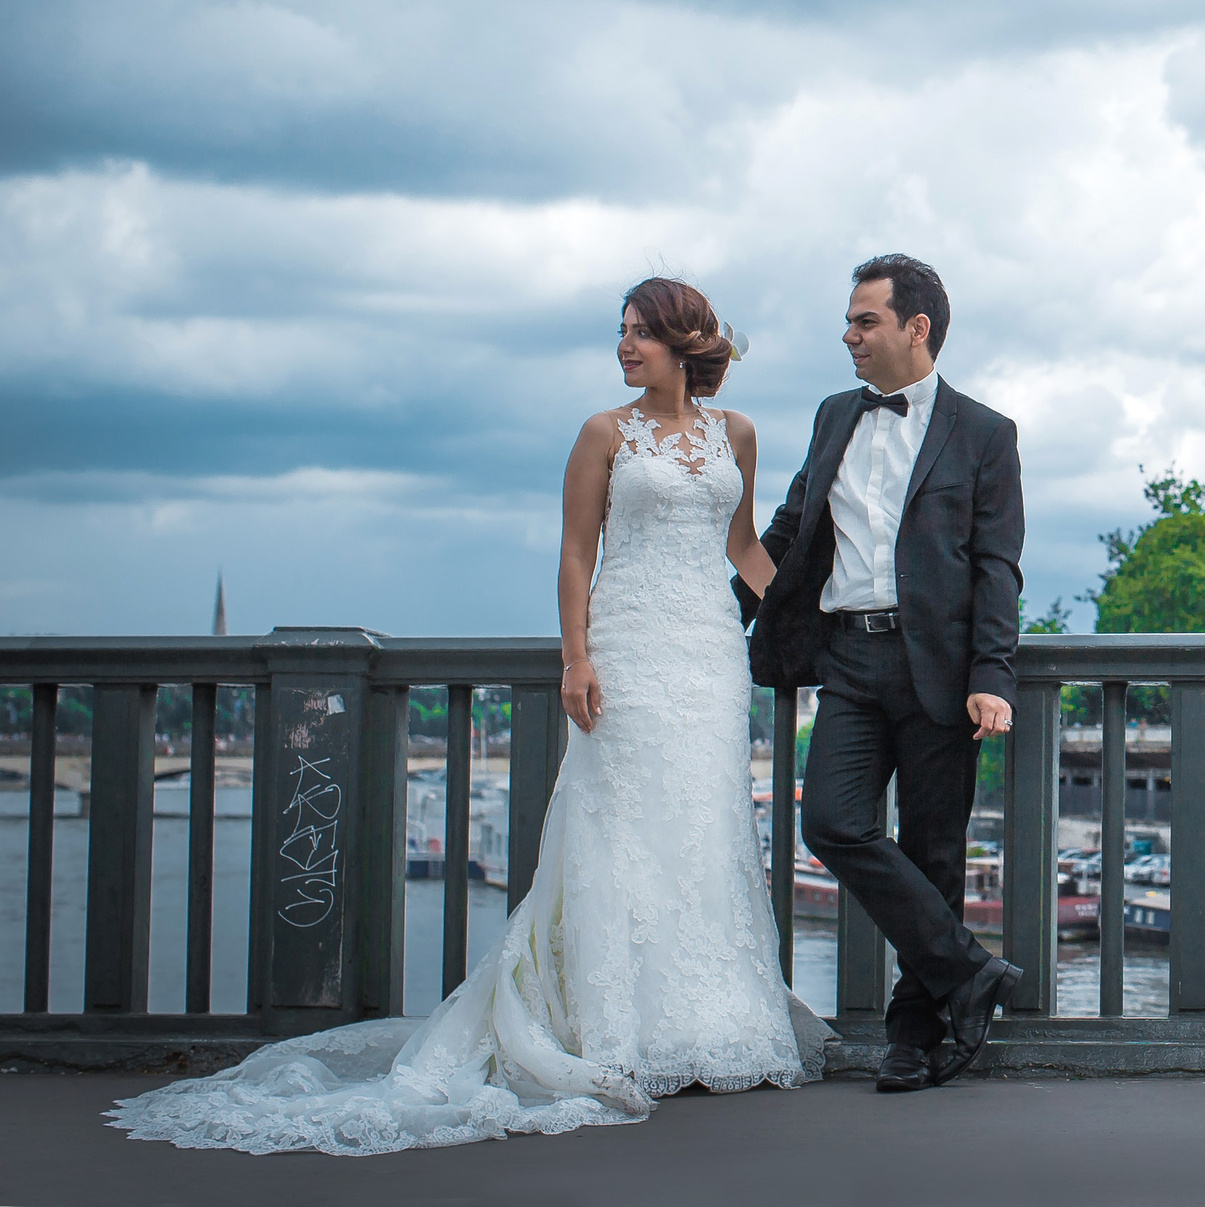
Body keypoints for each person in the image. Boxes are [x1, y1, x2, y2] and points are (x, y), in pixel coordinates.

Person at [109, 279, 828, 1155]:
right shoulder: (603, 432)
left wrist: (804, 621)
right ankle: (619, 1024)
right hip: (630, 648)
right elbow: (575, 553)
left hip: (713, 659)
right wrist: (576, 657)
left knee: (707, 827)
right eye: (622, 332)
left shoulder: (737, 434)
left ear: (683, 341)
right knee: (620, 829)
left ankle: (714, 1022)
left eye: (640, 333)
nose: (623, 346)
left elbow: (744, 545)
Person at [743, 253, 1025, 1092]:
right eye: (850, 320)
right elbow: (792, 526)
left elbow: (996, 567)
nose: (848, 335)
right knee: (829, 820)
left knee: (934, 851)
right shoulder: (835, 415)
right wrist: (719, 606)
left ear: (916, 328)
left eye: (864, 320)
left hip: (940, 666)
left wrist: (994, 674)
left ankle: (913, 1031)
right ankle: (972, 970)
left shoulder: (986, 433)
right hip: (850, 658)